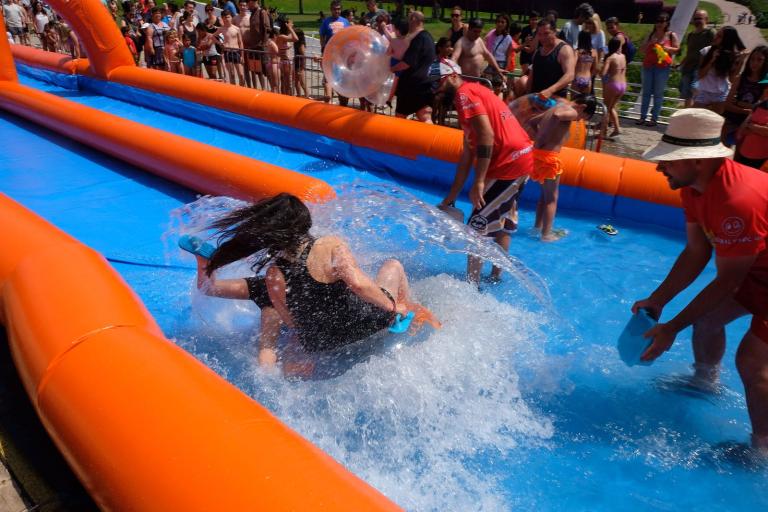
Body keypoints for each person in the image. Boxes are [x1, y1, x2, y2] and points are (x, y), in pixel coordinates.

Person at [633, 108, 768, 457]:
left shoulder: (738, 200)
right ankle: (704, 382)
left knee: (752, 363)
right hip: (758, 269)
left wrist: (671, 328)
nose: (660, 167)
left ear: (698, 160)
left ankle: (762, 451)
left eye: (668, 160)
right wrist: (658, 299)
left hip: (756, 272)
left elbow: (727, 281)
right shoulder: (693, 188)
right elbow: (696, 251)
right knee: (707, 319)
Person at [191, 194, 439, 368]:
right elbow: (358, 284)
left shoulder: (273, 274)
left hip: (322, 342)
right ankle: (404, 316)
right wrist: (392, 307)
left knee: (280, 322)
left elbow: (293, 322)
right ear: (304, 221)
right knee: (392, 266)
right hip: (365, 323)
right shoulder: (329, 245)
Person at [434, 59, 535, 282]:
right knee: (502, 223)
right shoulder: (473, 92)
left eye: (438, 83)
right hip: (521, 158)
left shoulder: (464, 94)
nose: (436, 89)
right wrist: (451, 197)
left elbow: (486, 135)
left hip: (508, 163)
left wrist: (479, 181)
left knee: (476, 227)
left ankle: (472, 286)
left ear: (453, 76)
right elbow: (467, 155)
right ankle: (496, 278)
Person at [508, 93, 596, 241]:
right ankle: (546, 235)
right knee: (552, 199)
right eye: (583, 117)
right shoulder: (570, 111)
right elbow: (557, 115)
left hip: (537, 155)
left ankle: (537, 228)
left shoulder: (554, 107)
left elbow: (532, 121)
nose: (578, 120)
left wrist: (540, 137)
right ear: (582, 107)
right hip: (549, 157)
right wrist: (544, 136)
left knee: (544, 197)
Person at [391, 11, 435, 123]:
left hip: (411, 86)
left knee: (400, 117)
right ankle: (434, 135)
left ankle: (398, 135)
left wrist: (391, 69)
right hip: (425, 84)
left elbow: (406, 63)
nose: (407, 23)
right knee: (425, 116)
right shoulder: (429, 38)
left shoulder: (418, 40)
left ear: (414, 20)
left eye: (408, 19)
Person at [637, 13, 679, 127]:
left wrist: (666, 48)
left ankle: (654, 119)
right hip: (648, 66)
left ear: (667, 23)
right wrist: (650, 43)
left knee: (658, 94)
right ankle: (642, 117)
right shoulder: (650, 34)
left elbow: (676, 49)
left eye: (662, 21)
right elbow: (641, 50)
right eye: (657, 21)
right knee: (646, 93)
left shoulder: (671, 35)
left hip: (663, 68)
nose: (659, 24)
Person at [693, 26, 746, 112]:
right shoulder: (706, 51)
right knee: (696, 116)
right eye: (716, 34)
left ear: (726, 40)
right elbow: (700, 75)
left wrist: (740, 62)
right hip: (703, 91)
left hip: (720, 93)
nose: (715, 37)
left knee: (716, 119)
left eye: (719, 36)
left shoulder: (732, 56)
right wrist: (711, 61)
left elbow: (732, 79)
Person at [723, 46, 768, 144]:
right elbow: (727, 104)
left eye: (759, 60)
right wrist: (745, 110)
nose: (754, 63)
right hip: (731, 119)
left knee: (741, 151)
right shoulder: (740, 78)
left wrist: (738, 102)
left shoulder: (766, 83)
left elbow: (759, 109)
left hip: (750, 125)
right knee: (722, 148)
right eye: (752, 59)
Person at [527, 17, 575, 100]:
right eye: (539, 34)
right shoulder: (538, 51)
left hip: (555, 101)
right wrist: (527, 95)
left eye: (546, 33)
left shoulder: (564, 50)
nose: (542, 38)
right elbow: (532, 75)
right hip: (536, 99)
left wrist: (550, 90)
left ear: (554, 32)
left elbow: (570, 75)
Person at [678, 10, 716, 108]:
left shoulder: (710, 33)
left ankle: (694, 113)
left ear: (706, 19)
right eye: (695, 19)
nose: (697, 21)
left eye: (699, 18)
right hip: (688, 68)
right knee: (687, 95)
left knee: (695, 90)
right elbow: (689, 53)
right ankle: (687, 114)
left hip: (701, 68)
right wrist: (681, 64)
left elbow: (716, 49)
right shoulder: (691, 35)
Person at [319, 0, 350, 105]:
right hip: (330, 57)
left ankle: (343, 104)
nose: (337, 11)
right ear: (331, 10)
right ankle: (328, 102)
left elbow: (349, 37)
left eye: (339, 9)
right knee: (328, 80)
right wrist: (323, 49)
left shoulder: (345, 22)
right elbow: (322, 36)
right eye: (335, 9)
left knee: (342, 83)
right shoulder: (326, 22)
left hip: (342, 57)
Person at [735, 83, 768, 169]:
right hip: (744, 152)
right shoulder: (759, 105)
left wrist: (752, 127)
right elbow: (742, 130)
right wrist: (758, 129)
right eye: (765, 87)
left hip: (763, 158)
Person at [600, 37, 627, 139]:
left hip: (613, 84)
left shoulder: (610, 58)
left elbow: (603, 73)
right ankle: (616, 129)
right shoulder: (623, 56)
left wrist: (601, 70)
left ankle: (603, 132)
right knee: (611, 108)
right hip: (623, 85)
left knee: (606, 109)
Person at [248, 0, 270, 89]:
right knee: (258, 70)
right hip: (254, 47)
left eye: (249, 2)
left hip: (262, 47)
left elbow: (267, 29)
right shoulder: (252, 13)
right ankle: (263, 89)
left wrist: (264, 43)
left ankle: (273, 89)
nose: (248, 4)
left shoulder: (262, 12)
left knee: (267, 70)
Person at [218, 10, 245, 85]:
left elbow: (240, 42)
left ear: (231, 17)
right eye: (225, 18)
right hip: (227, 53)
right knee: (232, 74)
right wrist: (220, 43)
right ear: (222, 18)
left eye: (228, 17)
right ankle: (234, 90)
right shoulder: (221, 29)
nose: (227, 19)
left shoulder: (236, 29)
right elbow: (213, 36)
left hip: (236, 52)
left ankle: (241, 89)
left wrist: (242, 56)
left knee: (241, 74)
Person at [275, 18, 298, 95]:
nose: (293, 25)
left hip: (288, 62)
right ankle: (286, 97)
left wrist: (290, 29)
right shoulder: (281, 37)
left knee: (287, 82)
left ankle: (286, 95)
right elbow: (296, 39)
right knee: (287, 82)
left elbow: (293, 36)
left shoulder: (286, 36)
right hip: (284, 62)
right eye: (291, 24)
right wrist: (290, 28)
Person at [572, 30, 596, 94]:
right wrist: (590, 77)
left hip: (577, 78)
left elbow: (572, 65)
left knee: (574, 99)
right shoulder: (594, 52)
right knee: (585, 99)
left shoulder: (577, 52)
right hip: (587, 79)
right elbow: (595, 68)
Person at [518, 10, 539, 76]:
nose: (534, 21)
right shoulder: (525, 29)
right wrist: (524, 47)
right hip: (525, 56)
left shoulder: (539, 30)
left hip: (536, 56)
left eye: (536, 19)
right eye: (532, 19)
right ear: (529, 20)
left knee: (534, 76)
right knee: (526, 75)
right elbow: (517, 41)